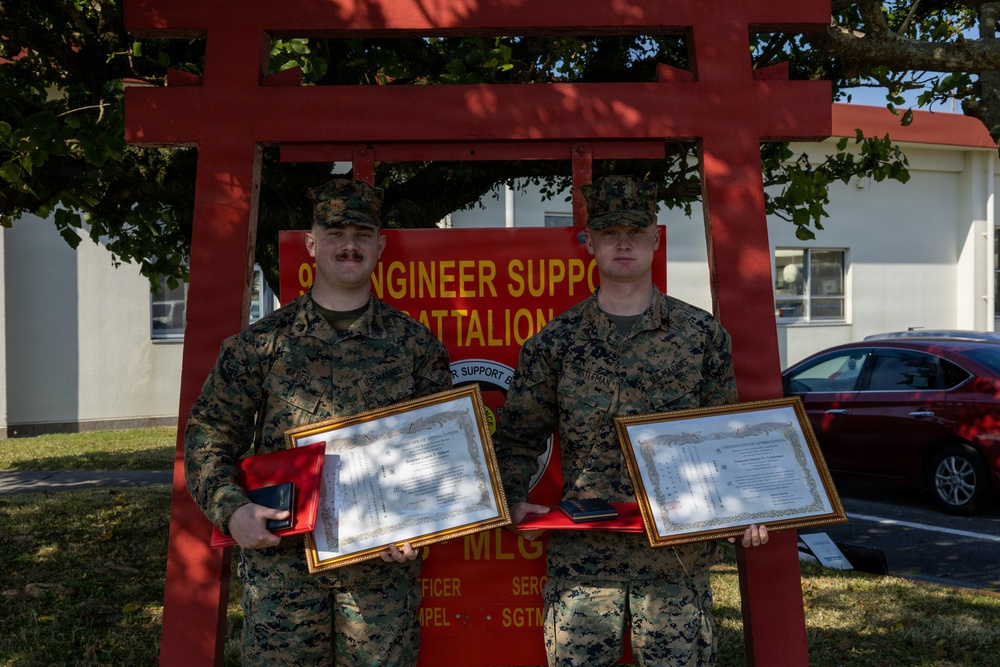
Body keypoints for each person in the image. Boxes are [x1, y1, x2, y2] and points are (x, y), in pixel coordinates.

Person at [493, 175, 768, 667]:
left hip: (676, 562)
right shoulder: (555, 342)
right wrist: (511, 502)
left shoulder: (699, 334)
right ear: (590, 242)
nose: (624, 243)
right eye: (610, 232)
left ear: (656, 239)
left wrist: (746, 506)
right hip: (584, 562)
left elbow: (727, 437)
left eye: (636, 232)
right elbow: (517, 436)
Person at [184, 178, 452, 667]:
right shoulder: (259, 346)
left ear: (380, 245)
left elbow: (438, 457)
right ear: (311, 244)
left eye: (361, 233)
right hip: (283, 572)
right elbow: (208, 439)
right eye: (334, 232)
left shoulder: (416, 346)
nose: (348, 245)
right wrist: (232, 511)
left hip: (380, 577)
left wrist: (422, 526)